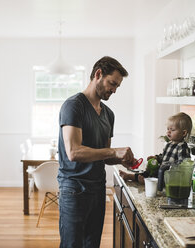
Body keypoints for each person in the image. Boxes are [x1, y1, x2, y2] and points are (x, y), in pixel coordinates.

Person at [58, 56, 136, 248]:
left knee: (92, 244)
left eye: (117, 86)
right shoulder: (74, 105)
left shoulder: (109, 114)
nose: (114, 90)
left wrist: (120, 159)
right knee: (72, 244)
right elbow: (74, 152)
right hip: (74, 189)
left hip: (98, 188)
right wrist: (113, 152)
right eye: (112, 83)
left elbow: (104, 155)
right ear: (98, 74)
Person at [119, 112, 193, 184]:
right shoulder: (169, 144)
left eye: (172, 130)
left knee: (157, 177)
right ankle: (129, 176)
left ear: (183, 133)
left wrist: (168, 165)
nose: (168, 132)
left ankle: (146, 182)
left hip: (171, 176)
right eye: (168, 129)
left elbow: (183, 165)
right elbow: (163, 156)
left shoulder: (182, 147)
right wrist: (156, 158)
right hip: (162, 171)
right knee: (148, 173)